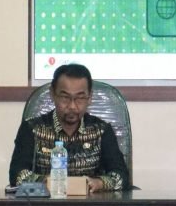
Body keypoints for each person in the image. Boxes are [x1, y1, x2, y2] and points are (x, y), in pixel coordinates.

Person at [8, 63, 130, 191]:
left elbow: (121, 176)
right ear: (52, 94)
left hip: (90, 201)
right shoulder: (32, 129)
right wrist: (47, 182)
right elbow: (17, 175)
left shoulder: (101, 130)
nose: (72, 106)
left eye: (80, 98)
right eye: (65, 97)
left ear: (89, 98)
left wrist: (99, 183)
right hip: (46, 201)